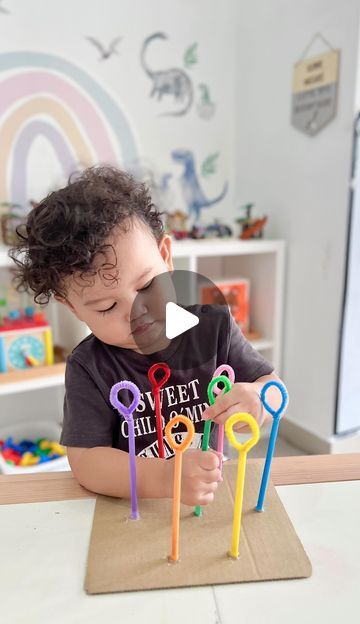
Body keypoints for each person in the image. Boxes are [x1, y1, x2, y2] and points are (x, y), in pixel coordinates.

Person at [11, 166, 285, 506]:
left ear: (166, 258)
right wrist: (164, 478)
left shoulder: (214, 328)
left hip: (206, 503)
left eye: (145, 285)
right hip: (130, 509)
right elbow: (86, 462)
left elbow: (275, 391)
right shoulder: (88, 366)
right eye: (107, 306)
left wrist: (259, 399)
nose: (137, 311)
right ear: (72, 308)